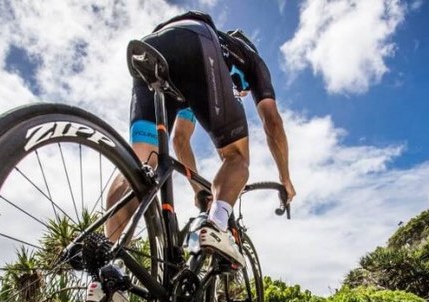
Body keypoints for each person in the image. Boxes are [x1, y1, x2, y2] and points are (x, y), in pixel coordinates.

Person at [108, 11, 296, 267]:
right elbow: (272, 120)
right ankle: (217, 225)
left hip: (153, 46)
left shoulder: (207, 69)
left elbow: (181, 140)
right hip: (196, 42)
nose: (241, 93)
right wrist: (285, 179)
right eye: (242, 90)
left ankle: (108, 271)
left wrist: (200, 193)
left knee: (141, 165)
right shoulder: (250, 58)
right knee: (236, 157)